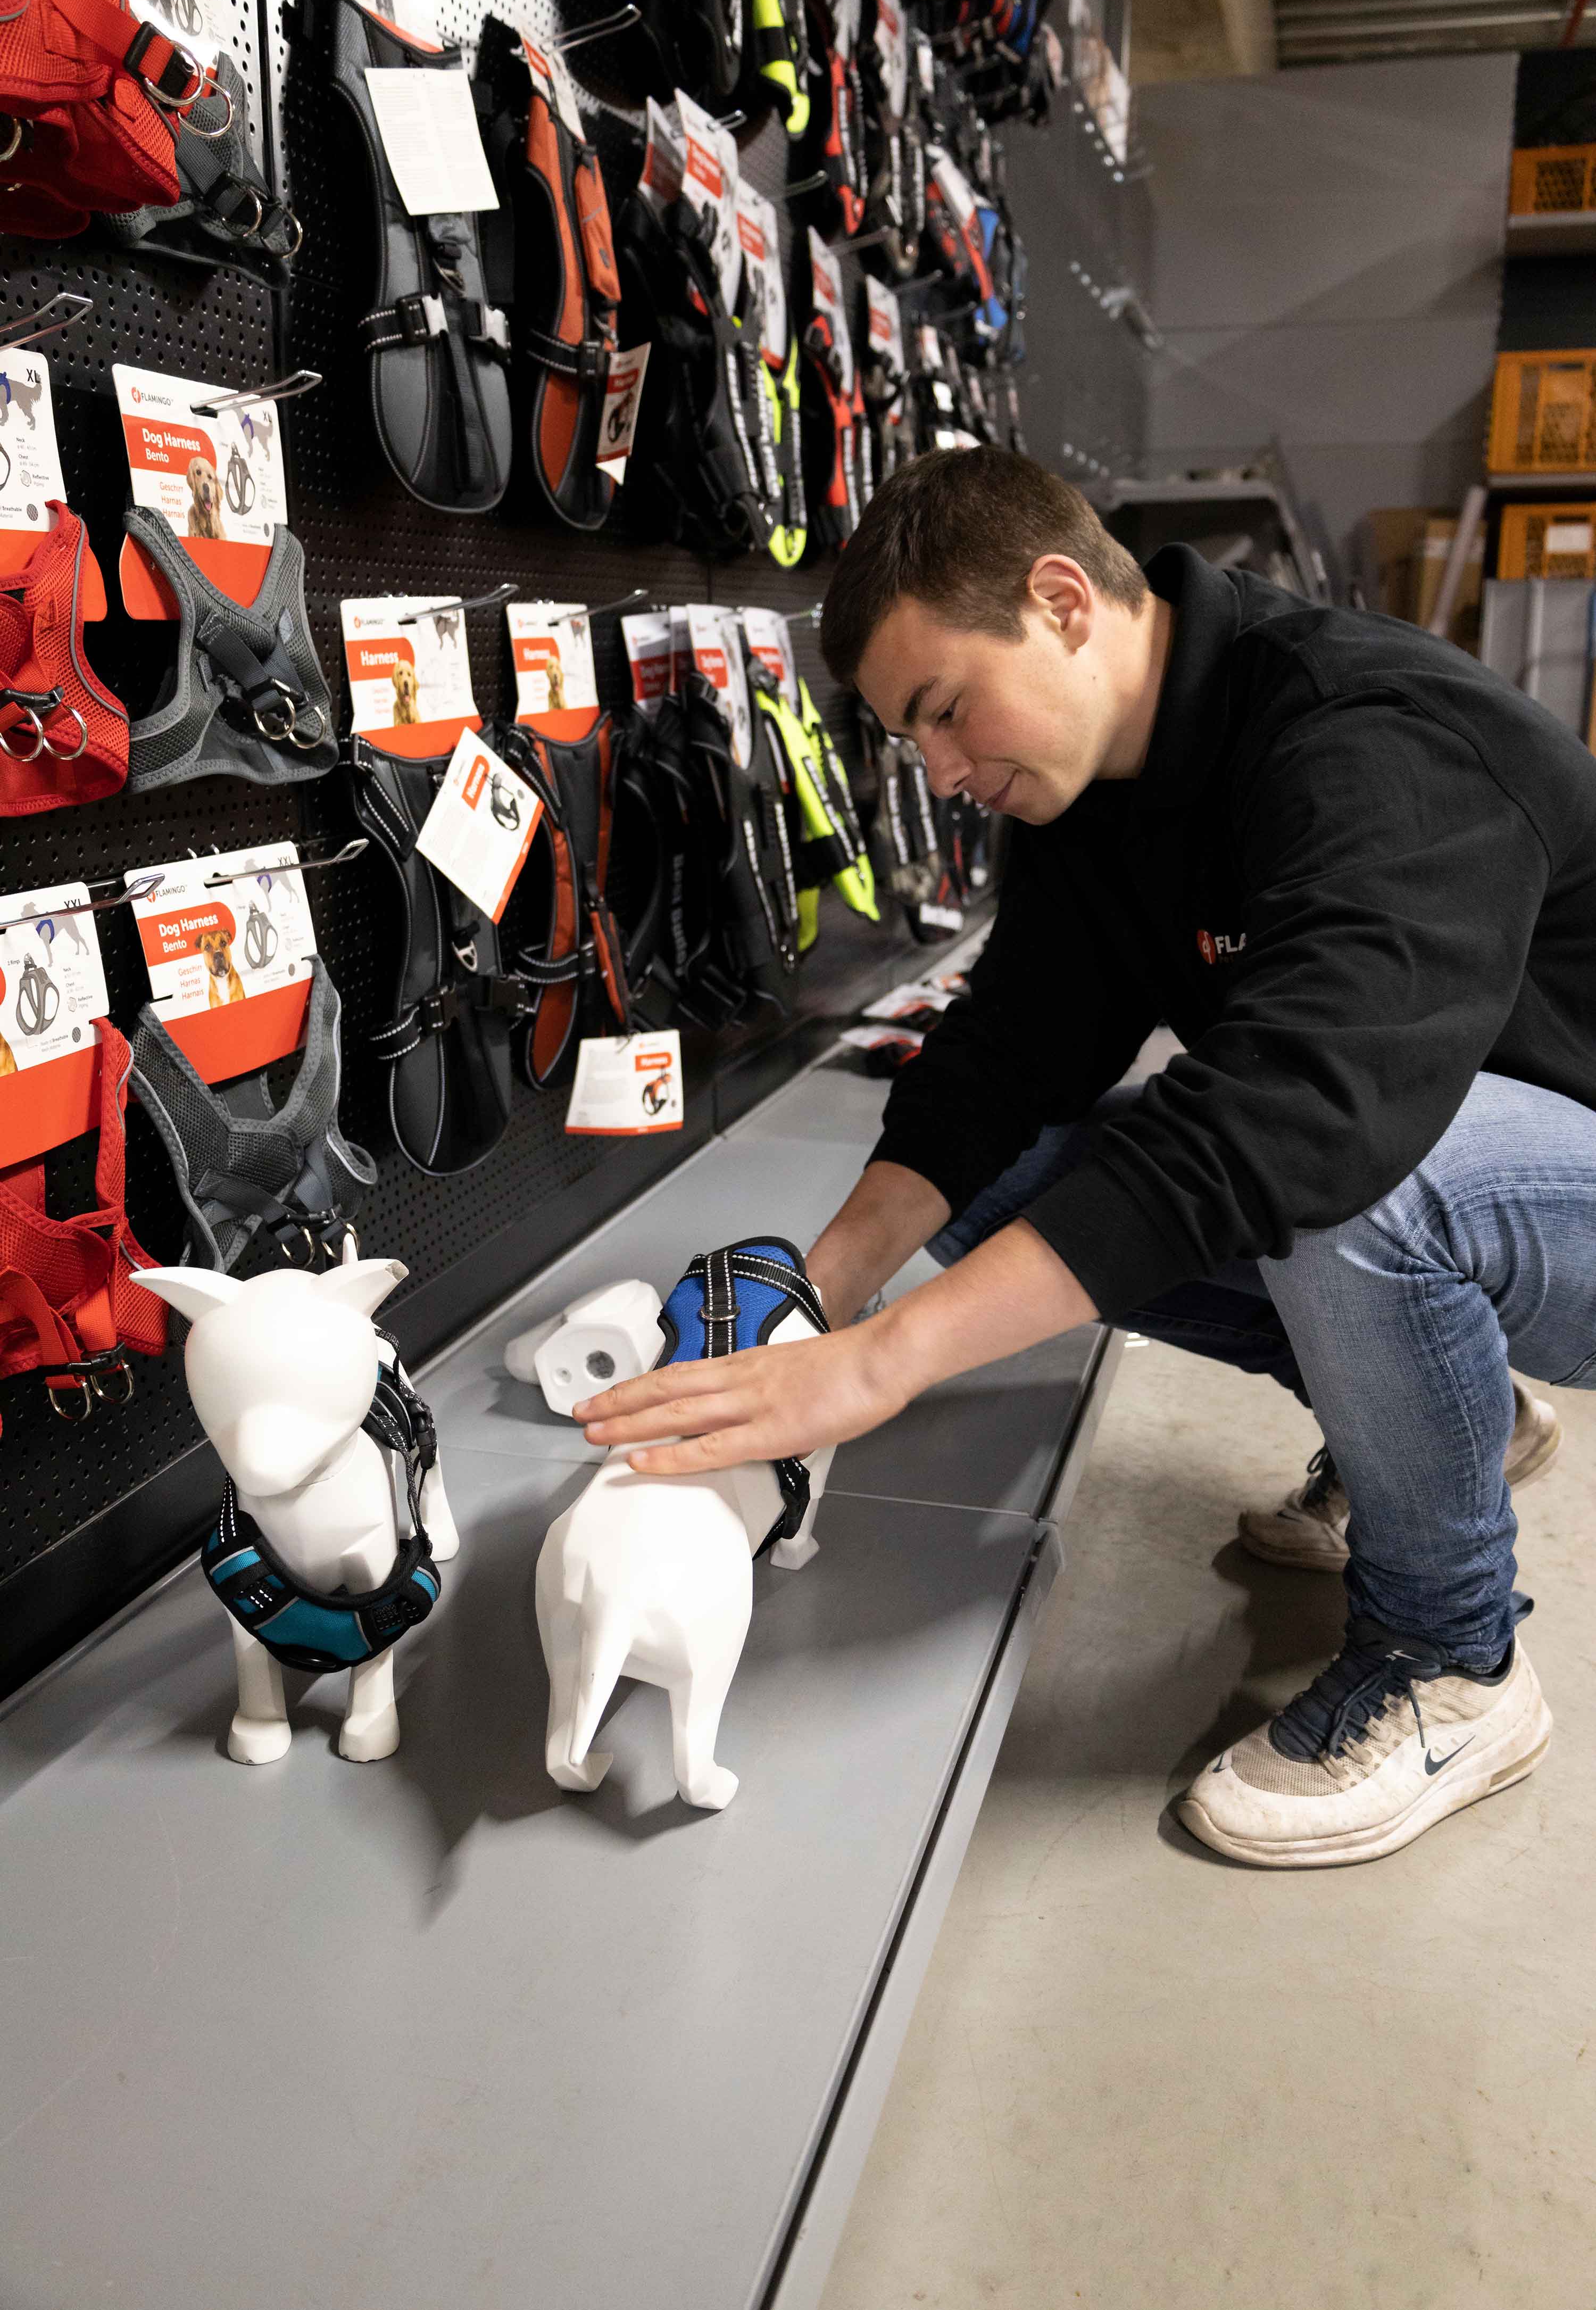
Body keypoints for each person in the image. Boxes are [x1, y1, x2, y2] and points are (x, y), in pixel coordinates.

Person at [576, 446, 1596, 1870]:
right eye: (913, 743)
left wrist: (879, 1368)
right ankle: (1441, 1414)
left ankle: (1454, 1658)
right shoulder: (1090, 786)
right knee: (1004, 1177)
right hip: (1474, 1165)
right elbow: (1005, 1060)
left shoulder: (1370, 736)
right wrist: (817, 1296)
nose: (943, 773)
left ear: (1062, 603)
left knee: (1349, 1174)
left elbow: (1306, 1110)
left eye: (945, 711)